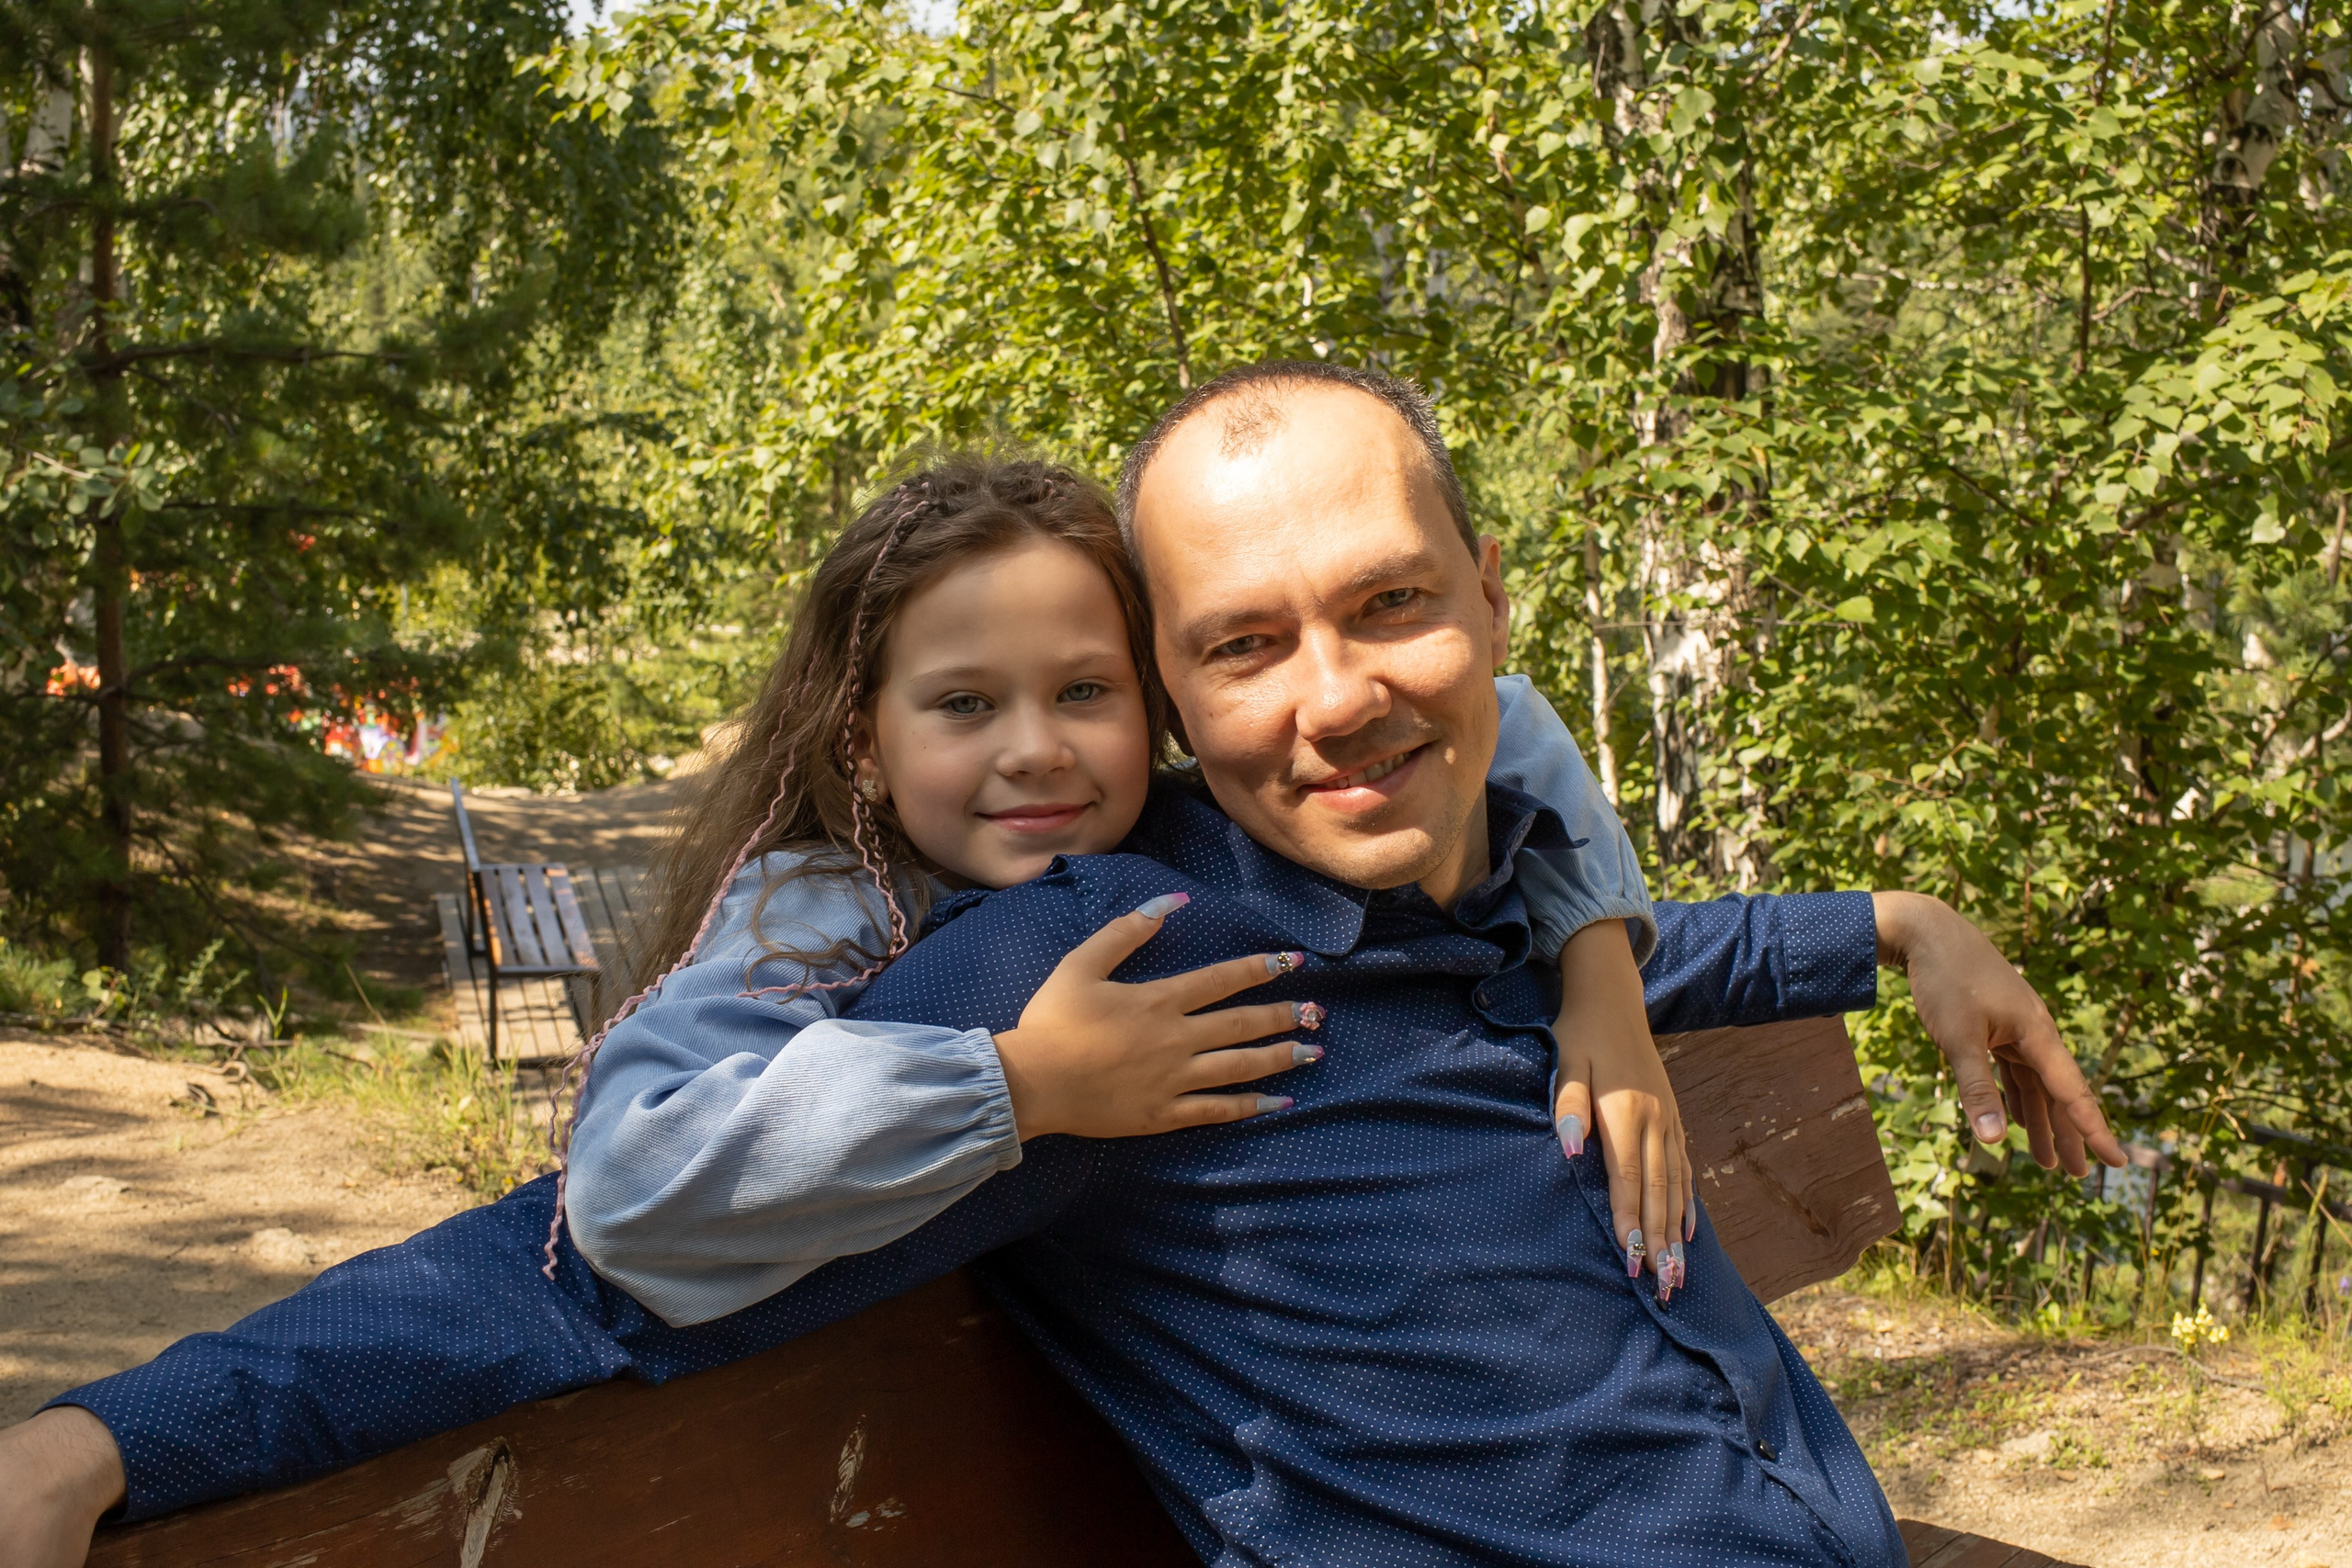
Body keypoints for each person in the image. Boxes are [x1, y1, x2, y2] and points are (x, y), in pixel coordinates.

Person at [1, 371, 2123, 1566]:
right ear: (1188, 704)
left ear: (1487, 600)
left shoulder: (1475, 895)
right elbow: (573, 1258)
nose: (1338, 697)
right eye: (1241, 645)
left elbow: (1631, 916)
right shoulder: (1105, 989)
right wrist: (111, 1434)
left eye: (1391, 608)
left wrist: (1896, 932)